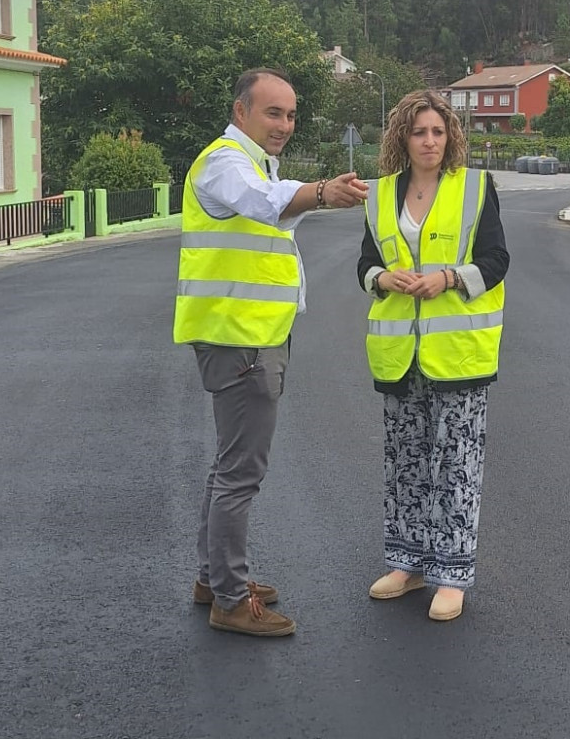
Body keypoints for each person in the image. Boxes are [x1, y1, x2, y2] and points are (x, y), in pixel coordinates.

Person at [174, 66, 368, 638]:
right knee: (240, 473)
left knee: (227, 466)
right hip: (240, 340)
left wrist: (308, 195)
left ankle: (215, 579)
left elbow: (268, 207)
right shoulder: (225, 163)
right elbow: (260, 201)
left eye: (289, 115)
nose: (284, 124)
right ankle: (230, 601)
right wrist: (323, 192)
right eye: (272, 113)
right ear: (241, 112)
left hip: (249, 334)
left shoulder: (254, 162)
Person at [357, 88, 509, 622]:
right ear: (403, 137)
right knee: (406, 463)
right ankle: (408, 563)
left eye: (438, 132)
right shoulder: (379, 196)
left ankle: (452, 574)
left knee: (456, 464)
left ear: (451, 137)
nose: (429, 141)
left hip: (458, 354)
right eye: (419, 132)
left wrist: (447, 277)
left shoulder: (473, 188)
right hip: (400, 354)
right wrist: (382, 277)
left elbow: (496, 259)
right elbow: (365, 266)